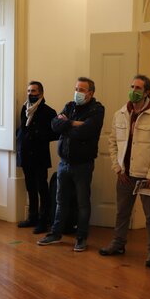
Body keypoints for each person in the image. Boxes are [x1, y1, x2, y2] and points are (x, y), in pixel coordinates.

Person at [99, 75, 150, 268]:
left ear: (147, 92)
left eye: (138, 88)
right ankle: (118, 243)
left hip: (146, 176)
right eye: (132, 87)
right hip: (124, 175)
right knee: (122, 212)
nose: (134, 91)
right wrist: (117, 168)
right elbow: (112, 142)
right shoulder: (120, 113)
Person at [37, 77, 105, 252]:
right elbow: (54, 125)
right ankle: (55, 233)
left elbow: (86, 131)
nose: (77, 93)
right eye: (76, 89)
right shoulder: (69, 106)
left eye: (81, 90)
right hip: (64, 163)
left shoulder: (97, 110)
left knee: (82, 203)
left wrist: (66, 126)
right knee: (61, 201)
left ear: (90, 93)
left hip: (83, 165)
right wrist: (72, 124)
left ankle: (81, 238)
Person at [16, 81, 57, 234]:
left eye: (33, 91)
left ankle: (43, 220)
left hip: (40, 156)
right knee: (30, 187)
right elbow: (23, 127)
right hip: (26, 155)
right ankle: (32, 217)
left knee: (42, 188)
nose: (30, 94)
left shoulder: (49, 111)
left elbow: (56, 133)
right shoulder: (24, 108)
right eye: (28, 91)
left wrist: (38, 135)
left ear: (41, 93)